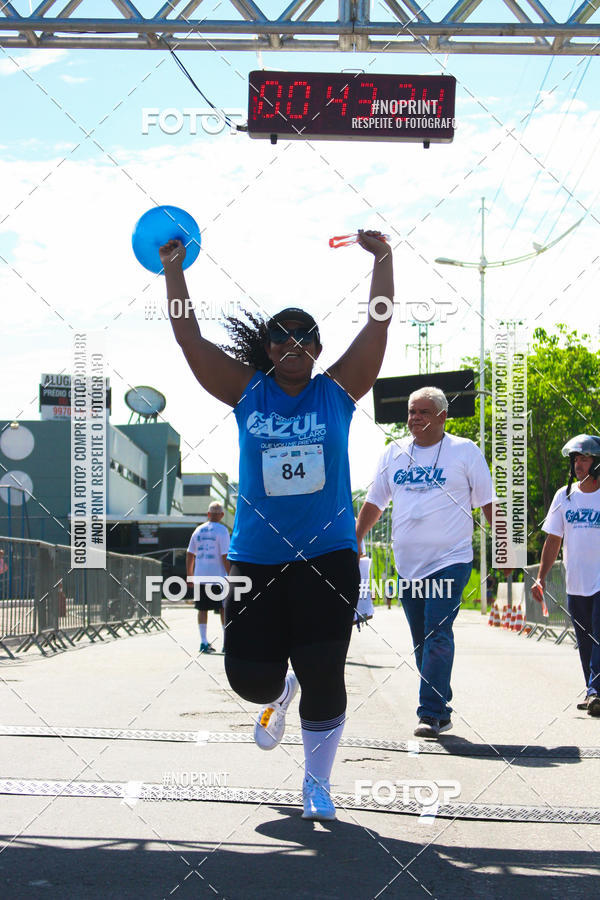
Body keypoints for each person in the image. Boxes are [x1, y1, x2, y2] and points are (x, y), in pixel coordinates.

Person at [161, 229, 393, 820]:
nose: (294, 345)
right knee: (251, 679)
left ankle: (317, 784)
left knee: (325, 670)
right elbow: (189, 337)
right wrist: (174, 271)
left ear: (317, 347)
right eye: (282, 338)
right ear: (267, 349)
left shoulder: (337, 393)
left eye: (305, 337)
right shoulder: (248, 394)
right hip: (258, 558)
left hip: (326, 556)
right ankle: (279, 693)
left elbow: (379, 325)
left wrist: (384, 259)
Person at [356, 386, 510, 740]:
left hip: (450, 560)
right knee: (422, 640)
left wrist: (504, 549)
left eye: (424, 411)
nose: (415, 417)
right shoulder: (393, 453)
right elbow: (375, 502)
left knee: (437, 633)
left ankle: (429, 712)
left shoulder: (464, 451)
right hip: (408, 565)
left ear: (442, 416)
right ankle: (440, 706)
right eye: (411, 411)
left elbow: (488, 503)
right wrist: (356, 539)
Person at [533, 434, 600, 716]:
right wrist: (541, 576)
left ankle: (595, 690)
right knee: (584, 639)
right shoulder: (565, 496)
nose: (578, 465)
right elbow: (553, 540)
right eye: (575, 459)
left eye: (584, 459)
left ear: (596, 463)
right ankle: (592, 690)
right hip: (575, 582)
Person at [187, 501, 230, 653]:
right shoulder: (222, 530)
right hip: (218, 577)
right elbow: (225, 555)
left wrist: (189, 575)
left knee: (202, 609)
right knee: (224, 608)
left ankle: (204, 642)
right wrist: (231, 575)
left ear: (208, 514)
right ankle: (227, 643)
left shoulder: (198, 530)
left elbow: (190, 553)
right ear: (222, 515)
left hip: (200, 576)